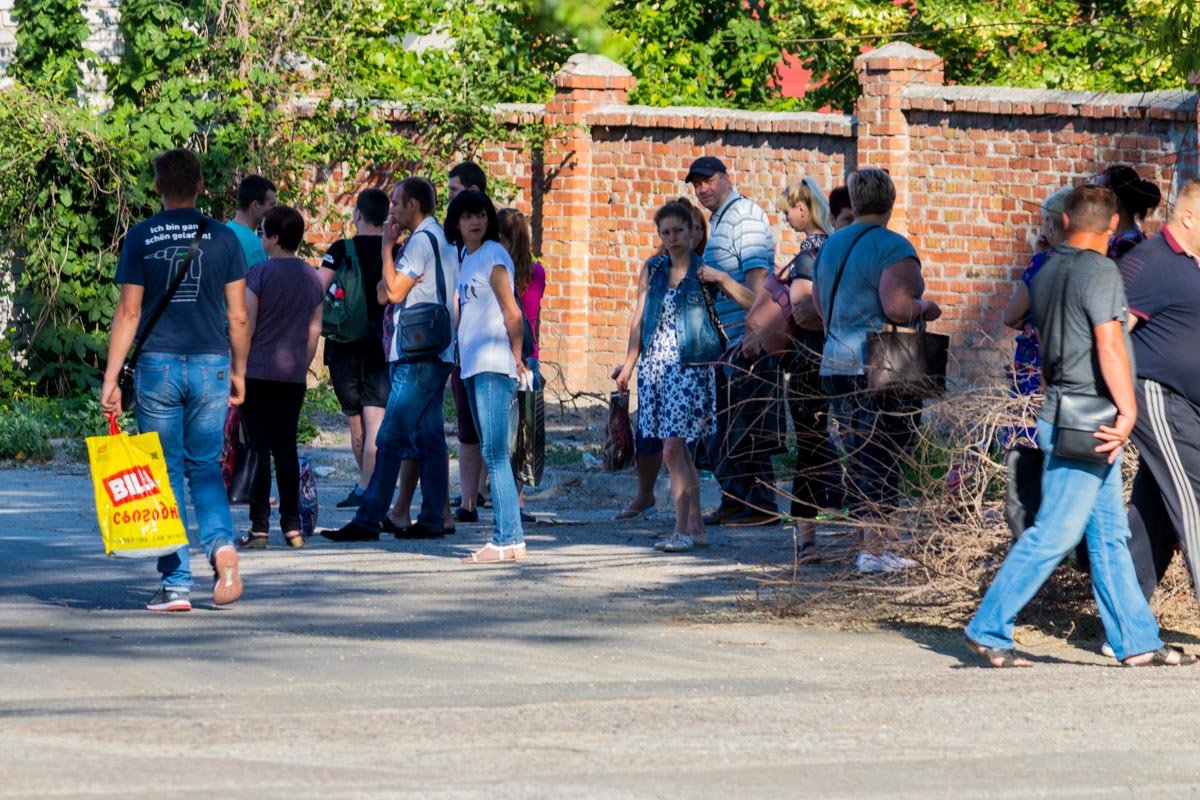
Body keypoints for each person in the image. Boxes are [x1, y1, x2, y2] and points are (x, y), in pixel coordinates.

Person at [964, 184, 1194, 668]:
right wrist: (1128, 411)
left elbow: (1048, 352)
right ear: (1112, 228)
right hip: (1090, 419)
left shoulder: (1045, 272)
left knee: (1109, 536)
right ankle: (988, 626)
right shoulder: (1101, 270)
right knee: (1056, 532)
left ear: (1065, 221)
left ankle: (1136, 641)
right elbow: (1111, 344)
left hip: (1061, 409)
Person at [100, 147, 250, 612]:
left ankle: (177, 584)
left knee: (162, 474)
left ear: (159, 188)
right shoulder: (225, 237)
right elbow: (239, 316)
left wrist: (111, 378)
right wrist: (240, 370)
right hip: (210, 363)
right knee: (205, 468)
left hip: (157, 367)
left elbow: (128, 311)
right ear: (201, 186)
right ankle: (223, 549)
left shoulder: (141, 235)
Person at [811, 168, 941, 573]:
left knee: (859, 454)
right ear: (890, 200)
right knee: (884, 455)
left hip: (835, 360)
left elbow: (818, 301)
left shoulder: (831, 245)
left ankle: (871, 543)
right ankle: (874, 548)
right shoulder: (893, 246)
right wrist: (927, 308)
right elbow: (898, 308)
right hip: (879, 364)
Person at [320, 177, 459, 542]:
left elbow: (392, 291)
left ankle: (368, 518)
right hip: (436, 349)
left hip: (416, 352)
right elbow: (382, 295)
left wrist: (386, 248)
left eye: (396, 203)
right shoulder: (440, 240)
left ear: (413, 204)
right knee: (429, 436)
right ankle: (430, 517)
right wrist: (391, 267)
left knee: (392, 436)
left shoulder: (418, 243)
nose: (391, 210)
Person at [614, 202, 718, 552]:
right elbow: (639, 318)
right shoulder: (653, 269)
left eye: (679, 230)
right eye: (666, 232)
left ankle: (681, 531)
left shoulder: (705, 271)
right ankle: (697, 527)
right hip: (656, 368)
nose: (672, 238)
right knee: (679, 451)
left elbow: (745, 300)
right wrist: (630, 363)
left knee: (673, 450)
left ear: (692, 231)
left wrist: (725, 281)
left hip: (690, 367)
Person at [1119, 179, 1200, 610]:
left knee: (1156, 513)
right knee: (1195, 498)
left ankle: (1126, 625)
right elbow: (1112, 335)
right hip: (1158, 397)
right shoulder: (1148, 263)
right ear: (1188, 217)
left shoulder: (1192, 263)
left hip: (1186, 404)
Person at [687, 156, 779, 527]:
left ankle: (760, 508)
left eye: (708, 180)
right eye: (695, 184)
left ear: (727, 178)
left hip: (748, 342)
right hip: (727, 344)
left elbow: (761, 294)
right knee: (722, 429)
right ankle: (734, 500)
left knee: (747, 430)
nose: (701, 189)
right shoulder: (721, 220)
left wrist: (721, 279)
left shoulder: (746, 218)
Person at [236, 206, 324, 550]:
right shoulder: (312, 277)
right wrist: (303, 364)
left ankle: (259, 528)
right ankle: (292, 527)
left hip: (257, 371)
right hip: (292, 375)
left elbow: (247, 324)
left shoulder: (258, 274)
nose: (261, 238)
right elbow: (315, 329)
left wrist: (238, 366)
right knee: (285, 447)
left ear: (272, 237)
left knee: (257, 448)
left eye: (263, 233)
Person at [450, 190, 530, 563]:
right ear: (457, 222)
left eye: (480, 214)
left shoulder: (494, 256)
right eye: (467, 216)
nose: (474, 221)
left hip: (494, 365)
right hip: (471, 364)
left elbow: (512, 313)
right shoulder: (467, 257)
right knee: (491, 452)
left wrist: (516, 358)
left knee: (496, 453)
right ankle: (512, 541)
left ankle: (504, 540)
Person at [767, 177, 836, 560]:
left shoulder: (810, 253)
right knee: (829, 446)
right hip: (838, 360)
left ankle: (806, 538)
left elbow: (803, 311)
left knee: (810, 448)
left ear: (803, 209)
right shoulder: (833, 248)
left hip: (810, 362)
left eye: (789, 212)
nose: (787, 219)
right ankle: (863, 537)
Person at [318, 188, 392, 509]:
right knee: (376, 417)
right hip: (382, 345)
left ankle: (364, 487)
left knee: (356, 420)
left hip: (344, 344)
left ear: (357, 215)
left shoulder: (340, 248)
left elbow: (316, 288)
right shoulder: (396, 250)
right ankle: (370, 487)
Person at [498, 207, 546, 523]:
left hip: (503, 351)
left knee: (501, 431)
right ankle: (517, 499)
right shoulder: (538, 273)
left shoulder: (498, 271)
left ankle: (495, 496)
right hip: (530, 355)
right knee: (523, 433)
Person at [1096, 164, 1161, 261]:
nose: (1095, 202)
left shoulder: (1127, 244)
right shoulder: (1123, 239)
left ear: (1115, 200)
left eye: (1100, 195)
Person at [228, 175, 276, 268]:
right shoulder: (256, 247)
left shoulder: (223, 231)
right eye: (271, 205)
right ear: (255, 205)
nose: (274, 210)